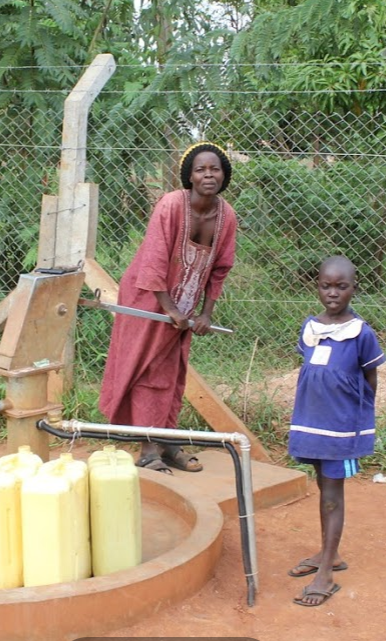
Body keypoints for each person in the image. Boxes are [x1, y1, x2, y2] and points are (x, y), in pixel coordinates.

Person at [98, 142, 238, 474]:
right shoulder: (171, 205)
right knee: (147, 369)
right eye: (201, 169)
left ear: (224, 175)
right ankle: (149, 448)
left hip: (184, 306)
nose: (208, 175)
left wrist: (206, 313)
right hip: (148, 297)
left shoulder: (227, 216)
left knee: (172, 371)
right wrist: (169, 308)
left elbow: (221, 267)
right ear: (189, 175)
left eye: (215, 169)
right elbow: (154, 258)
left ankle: (166, 440)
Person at [288, 255, 386, 607]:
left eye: (341, 287)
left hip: (340, 430)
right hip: (312, 423)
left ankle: (326, 573)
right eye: (326, 286)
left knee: (333, 493)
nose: (333, 293)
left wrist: (356, 416)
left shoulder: (361, 333)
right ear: (317, 287)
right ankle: (328, 554)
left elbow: (370, 378)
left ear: (353, 288)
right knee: (322, 485)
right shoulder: (310, 327)